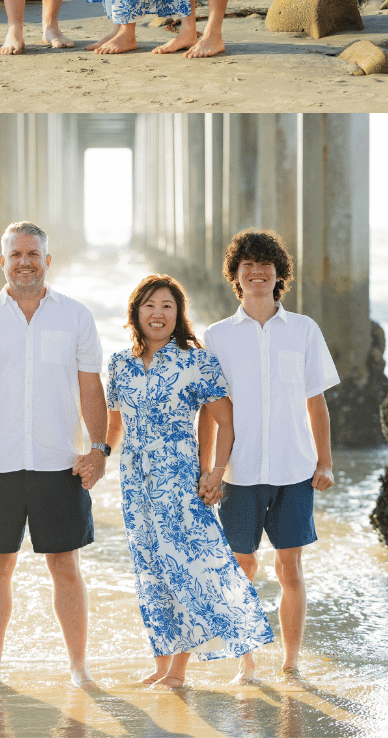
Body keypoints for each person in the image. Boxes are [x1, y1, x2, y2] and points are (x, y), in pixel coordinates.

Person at [0, 221, 109, 687]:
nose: (24, 262)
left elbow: (90, 388)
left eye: (33, 254)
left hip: (61, 465)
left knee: (66, 566)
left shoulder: (76, 316)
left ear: (47, 261)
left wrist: (98, 449)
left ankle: (79, 668)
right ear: (3, 261)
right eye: (15, 254)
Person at [106, 275, 274, 690]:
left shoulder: (194, 360)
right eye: (149, 305)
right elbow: (114, 425)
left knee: (186, 570)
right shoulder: (119, 363)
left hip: (179, 481)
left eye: (167, 306)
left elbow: (225, 420)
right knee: (150, 572)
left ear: (178, 313)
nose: (158, 313)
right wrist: (95, 457)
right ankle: (162, 664)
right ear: (135, 312)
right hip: (134, 484)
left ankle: (179, 672)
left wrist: (215, 472)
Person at [199, 229, 340, 683]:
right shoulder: (217, 336)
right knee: (242, 565)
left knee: (289, 566)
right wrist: (208, 469)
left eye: (266, 266)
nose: (257, 272)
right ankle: (247, 661)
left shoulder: (304, 330)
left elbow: (315, 402)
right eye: (248, 266)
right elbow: (210, 411)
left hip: (293, 468)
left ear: (279, 275)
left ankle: (291, 661)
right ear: (236, 276)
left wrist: (325, 462)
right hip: (239, 472)